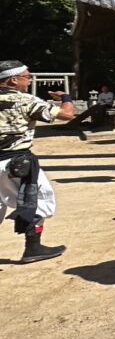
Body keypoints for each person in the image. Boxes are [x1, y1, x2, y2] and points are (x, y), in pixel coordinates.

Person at [0, 60, 74, 263]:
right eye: (26, 76)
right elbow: (67, 114)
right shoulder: (26, 101)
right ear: (13, 80)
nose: (29, 79)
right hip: (16, 162)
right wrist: (66, 98)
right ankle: (33, 246)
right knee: (39, 200)